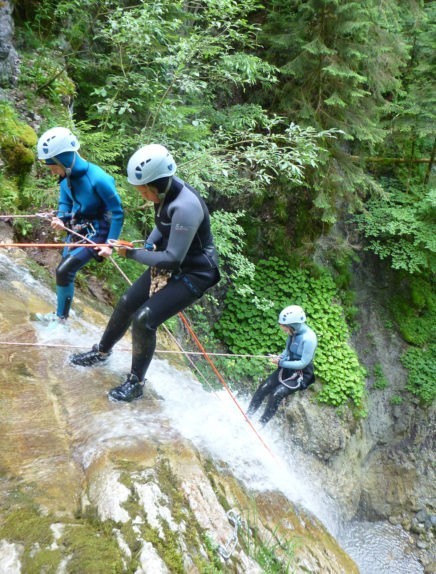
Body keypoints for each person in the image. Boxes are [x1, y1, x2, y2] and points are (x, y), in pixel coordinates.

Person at [70, 143, 220, 402]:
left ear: (157, 185)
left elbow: (172, 260)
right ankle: (102, 352)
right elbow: (162, 225)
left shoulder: (185, 207)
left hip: (196, 273)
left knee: (144, 319)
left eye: (143, 191)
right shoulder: (164, 194)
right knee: (127, 302)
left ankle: (135, 383)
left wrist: (132, 253)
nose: (142, 196)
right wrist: (149, 242)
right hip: (174, 260)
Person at [36, 126, 124, 324]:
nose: (53, 173)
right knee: (64, 269)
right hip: (79, 227)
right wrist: (61, 219)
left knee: (64, 271)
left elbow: (117, 212)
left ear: (64, 160)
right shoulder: (65, 178)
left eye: (53, 168)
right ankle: (61, 315)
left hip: (99, 231)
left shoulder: (99, 179)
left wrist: (109, 243)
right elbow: (65, 203)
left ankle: (61, 320)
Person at [246, 305, 317, 425]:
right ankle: (248, 415)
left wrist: (280, 362)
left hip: (301, 373)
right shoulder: (293, 333)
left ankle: (260, 424)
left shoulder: (309, 339)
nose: (283, 329)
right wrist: (280, 356)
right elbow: (287, 351)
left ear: (293, 325)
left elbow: (302, 363)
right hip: (288, 366)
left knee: (276, 394)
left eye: (284, 326)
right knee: (264, 387)